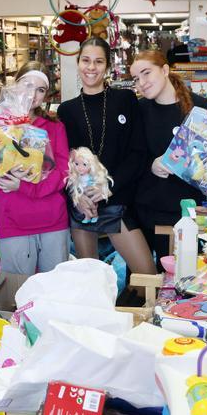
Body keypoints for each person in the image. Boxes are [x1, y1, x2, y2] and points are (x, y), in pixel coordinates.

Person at [57, 37, 156, 277]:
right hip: (83, 205)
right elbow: (64, 163)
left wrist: (107, 188)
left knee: (149, 276)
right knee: (90, 283)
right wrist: (77, 197)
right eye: (86, 60)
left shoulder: (125, 100)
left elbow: (138, 154)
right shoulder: (66, 110)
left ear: (108, 66)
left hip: (117, 199)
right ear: (78, 63)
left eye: (98, 62)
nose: (91, 68)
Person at [0, 61, 70, 305]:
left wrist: (25, 186)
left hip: (53, 222)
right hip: (13, 223)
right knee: (17, 298)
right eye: (27, 84)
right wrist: (1, 176)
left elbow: (62, 173)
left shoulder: (53, 128)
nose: (32, 93)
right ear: (14, 85)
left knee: (55, 296)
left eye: (40, 89)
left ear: (46, 96)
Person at [130, 50, 207, 259]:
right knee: (143, 284)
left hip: (186, 212)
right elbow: (129, 157)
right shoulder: (138, 109)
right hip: (146, 210)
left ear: (164, 70)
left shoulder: (200, 107)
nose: (141, 83)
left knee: (182, 276)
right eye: (136, 78)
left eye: (146, 73)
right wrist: (150, 166)